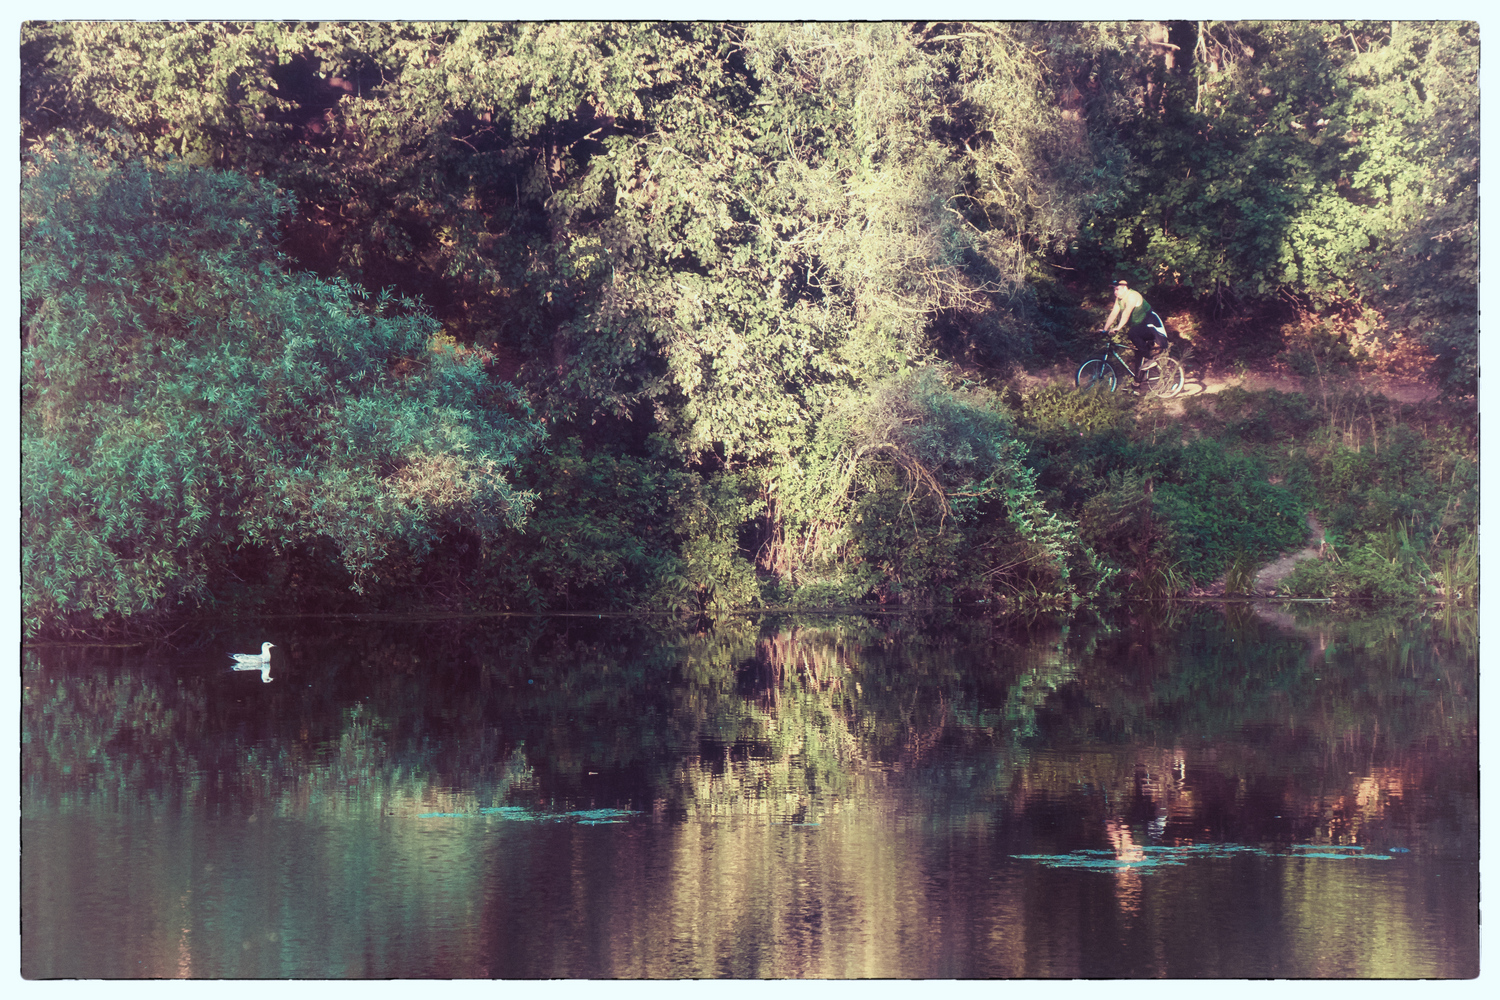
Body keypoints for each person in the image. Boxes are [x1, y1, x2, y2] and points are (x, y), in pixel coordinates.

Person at [1103, 279, 1167, 388]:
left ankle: (1150, 359)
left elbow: (1126, 313)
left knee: (1132, 333)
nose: (1115, 292)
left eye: (1117, 289)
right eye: (1114, 289)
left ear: (1125, 287)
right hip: (1142, 328)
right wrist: (1105, 329)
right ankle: (1137, 384)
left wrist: (1118, 328)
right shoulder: (1119, 300)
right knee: (1139, 353)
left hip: (1153, 327)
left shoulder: (1133, 295)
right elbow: (1113, 313)